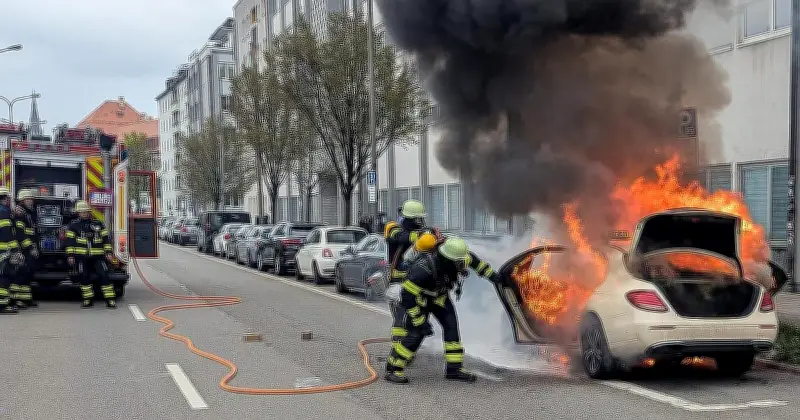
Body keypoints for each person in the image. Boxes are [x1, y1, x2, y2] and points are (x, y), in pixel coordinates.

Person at [384, 236, 502, 384]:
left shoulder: (460, 257)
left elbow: (480, 266)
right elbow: (407, 295)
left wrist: (497, 278)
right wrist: (419, 320)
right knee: (416, 333)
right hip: (420, 299)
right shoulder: (423, 269)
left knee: (451, 328)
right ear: (448, 259)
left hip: (440, 297)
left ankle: (454, 369)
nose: (463, 265)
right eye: (459, 263)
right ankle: (393, 368)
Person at [64, 200, 117, 309]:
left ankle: (110, 300)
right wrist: (70, 255)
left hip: (98, 257)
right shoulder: (73, 226)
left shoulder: (98, 223)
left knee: (104, 276)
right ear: (78, 213)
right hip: (81, 257)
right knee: (84, 277)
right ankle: (87, 300)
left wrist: (108, 253)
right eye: (82, 212)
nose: (85, 213)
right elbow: (70, 241)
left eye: (86, 211)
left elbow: (106, 239)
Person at [11, 188, 38, 309]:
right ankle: (16, 300)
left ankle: (26, 299)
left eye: (31, 199)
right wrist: (31, 247)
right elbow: (20, 234)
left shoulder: (29, 212)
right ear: (21, 200)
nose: (30, 201)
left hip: (29, 246)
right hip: (22, 248)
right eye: (27, 199)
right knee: (21, 273)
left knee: (28, 273)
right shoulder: (20, 213)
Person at [0, 187, 23, 314]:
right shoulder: (3, 211)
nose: (9, 200)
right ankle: (2, 305)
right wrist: (15, 249)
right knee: (3, 276)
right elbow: (7, 233)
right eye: (8, 198)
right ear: (4, 198)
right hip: (3, 250)